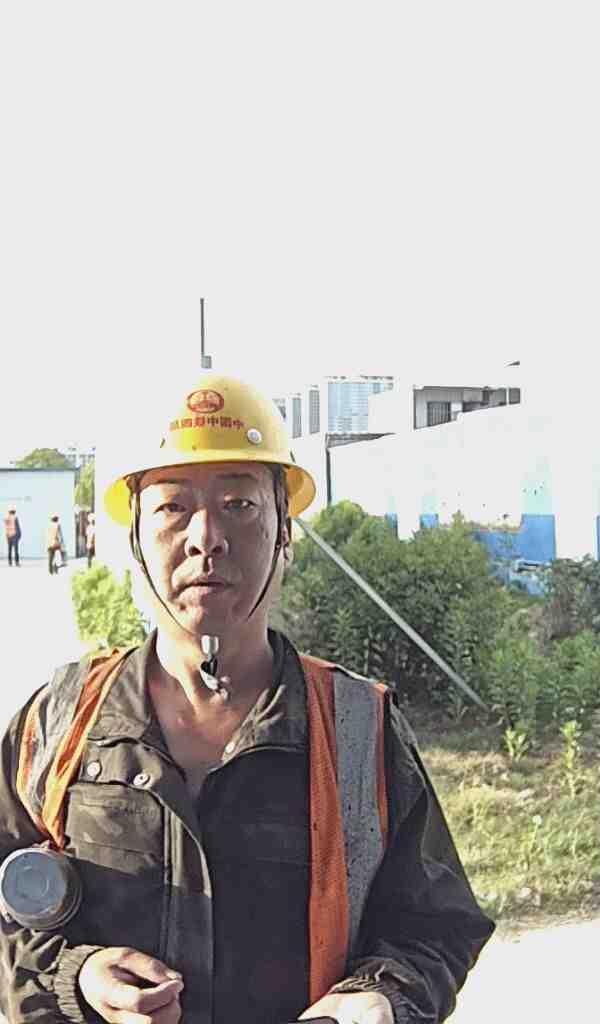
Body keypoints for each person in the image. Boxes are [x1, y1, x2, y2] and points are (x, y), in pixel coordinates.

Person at [0, 374, 494, 1024]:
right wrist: (77, 975)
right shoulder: (59, 720)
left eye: (239, 503)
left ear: (284, 531)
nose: (207, 536)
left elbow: (435, 926)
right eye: (172, 507)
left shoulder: (358, 731)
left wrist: (380, 996)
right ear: (135, 539)